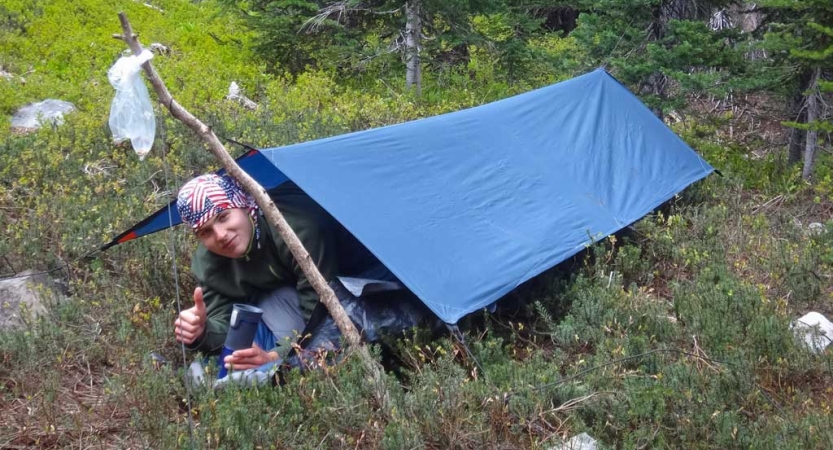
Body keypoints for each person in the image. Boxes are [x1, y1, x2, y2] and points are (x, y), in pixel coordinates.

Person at [173, 174, 341, 373]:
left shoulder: (296, 231)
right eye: (205, 232)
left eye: (223, 217)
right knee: (224, 361)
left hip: (352, 288)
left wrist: (275, 356)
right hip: (281, 304)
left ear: (244, 205)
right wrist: (202, 332)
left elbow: (324, 316)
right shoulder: (209, 264)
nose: (220, 235)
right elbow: (225, 326)